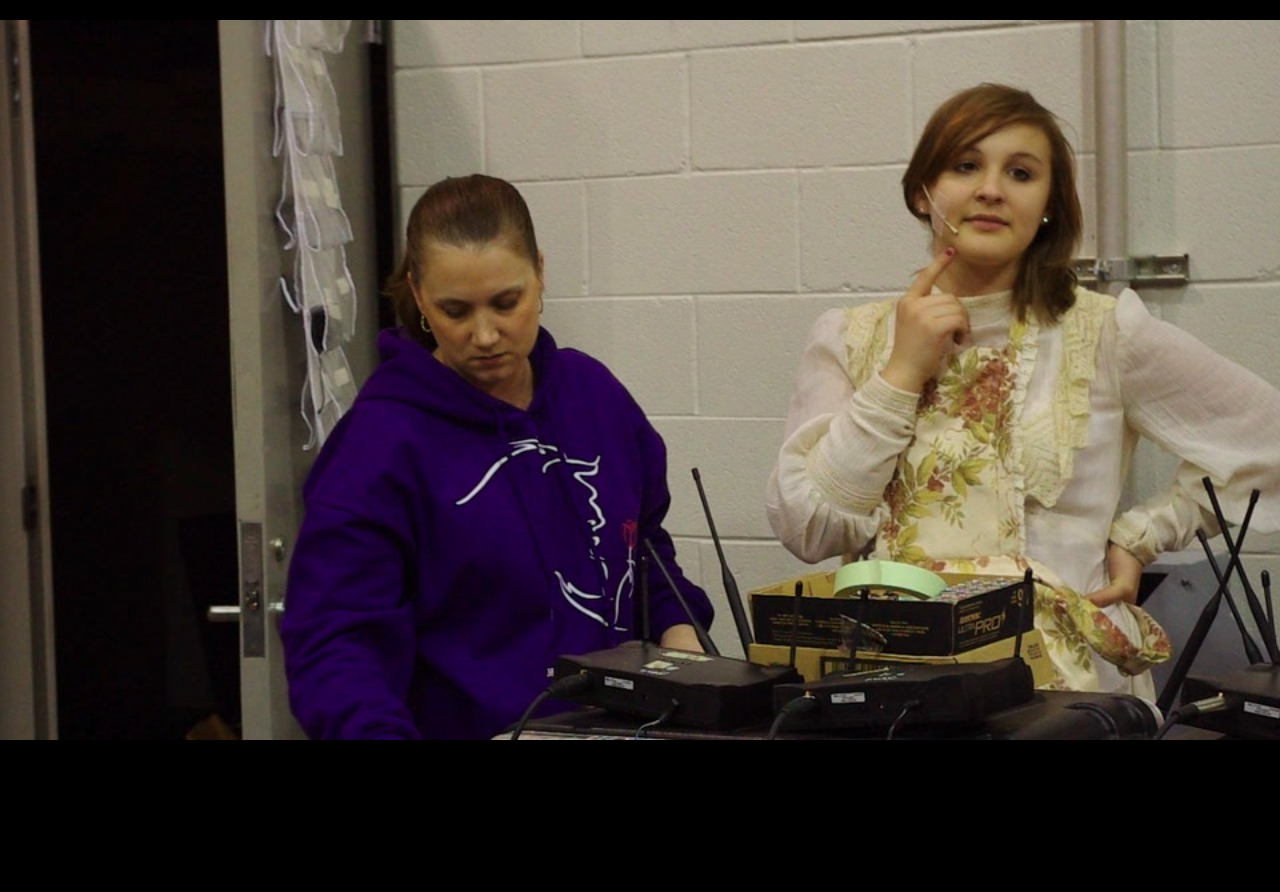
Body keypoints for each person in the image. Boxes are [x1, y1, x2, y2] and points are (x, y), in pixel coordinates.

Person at [766, 83, 1280, 695]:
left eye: (1020, 173)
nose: (991, 189)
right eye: (965, 165)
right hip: (889, 694)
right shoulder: (849, 337)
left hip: (1064, 699)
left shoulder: (1105, 332)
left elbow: (1268, 444)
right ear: (921, 192)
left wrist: (1144, 537)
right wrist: (899, 374)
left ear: (1048, 207)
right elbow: (809, 530)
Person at [281, 174, 712, 739]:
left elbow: (645, 550)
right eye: (455, 311)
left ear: (540, 273)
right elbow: (335, 645)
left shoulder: (594, 397)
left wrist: (681, 636)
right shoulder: (380, 443)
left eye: (507, 303)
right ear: (418, 296)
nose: (485, 335)